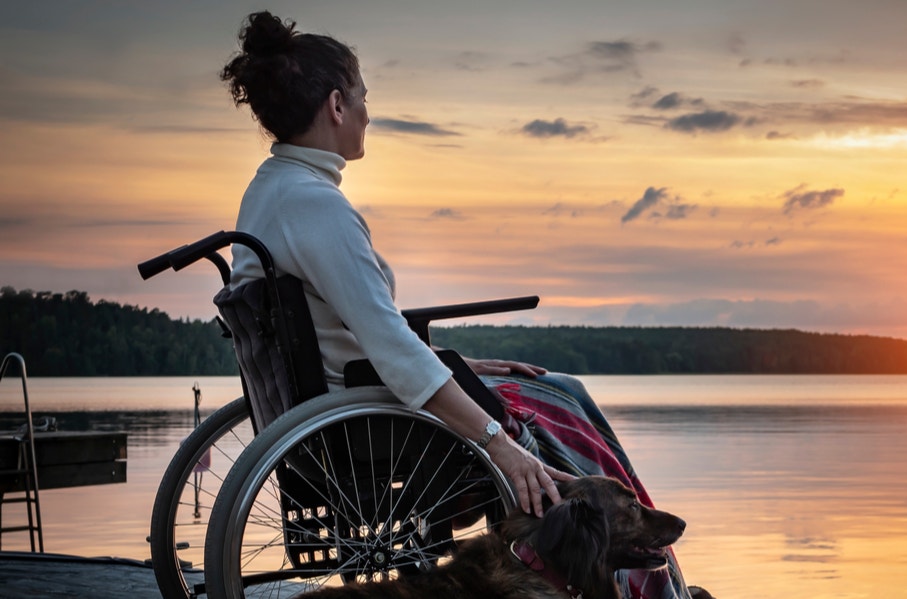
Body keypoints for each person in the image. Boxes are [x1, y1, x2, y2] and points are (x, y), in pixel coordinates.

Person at [220, 11, 707, 599]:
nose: (370, 112)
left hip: (348, 396)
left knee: (555, 387)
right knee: (560, 409)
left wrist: (464, 364)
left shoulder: (270, 190)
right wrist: (498, 444)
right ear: (336, 105)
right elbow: (388, 346)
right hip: (370, 419)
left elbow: (353, 333)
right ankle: (651, 587)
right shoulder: (316, 206)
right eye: (364, 97)